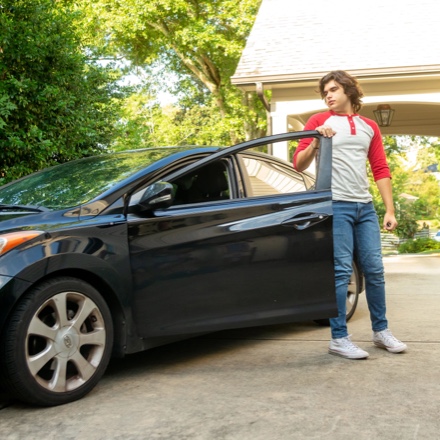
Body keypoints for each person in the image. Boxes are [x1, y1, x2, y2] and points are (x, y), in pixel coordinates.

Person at [293, 70, 407, 360]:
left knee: (375, 271)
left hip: (364, 207)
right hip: (337, 204)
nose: (328, 96)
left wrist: (389, 209)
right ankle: (339, 337)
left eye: (333, 90)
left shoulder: (369, 126)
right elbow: (298, 163)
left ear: (348, 91)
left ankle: (381, 332)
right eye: (325, 92)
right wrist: (316, 140)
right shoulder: (318, 121)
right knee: (342, 271)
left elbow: (380, 168)